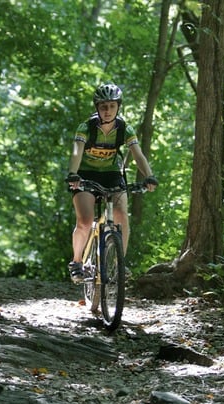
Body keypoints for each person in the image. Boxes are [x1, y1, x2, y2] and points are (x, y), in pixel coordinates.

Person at [67, 82, 157, 283]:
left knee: (121, 215)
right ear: (97, 107)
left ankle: (119, 263)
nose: (107, 111)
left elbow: (138, 154)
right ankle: (77, 262)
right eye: (103, 106)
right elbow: (76, 152)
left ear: (118, 107)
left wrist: (149, 175)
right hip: (86, 174)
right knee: (84, 220)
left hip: (112, 174)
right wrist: (73, 174)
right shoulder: (86, 127)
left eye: (112, 106)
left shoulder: (124, 128)